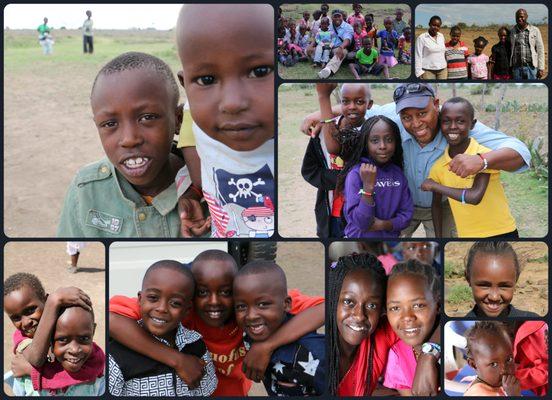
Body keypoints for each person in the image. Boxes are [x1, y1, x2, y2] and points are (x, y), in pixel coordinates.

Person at [300, 82, 531, 238]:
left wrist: (482, 160)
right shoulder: (391, 118)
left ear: (437, 105)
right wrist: (318, 114)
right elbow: (358, 107)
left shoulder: (456, 125)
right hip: (402, 204)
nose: (416, 123)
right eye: (407, 117)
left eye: (423, 113)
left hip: (443, 205)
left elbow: (520, 152)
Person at [109, 250, 325, 396]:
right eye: (202, 292)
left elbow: (325, 308)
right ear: (190, 297)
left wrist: (266, 346)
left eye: (226, 292)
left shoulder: (249, 310)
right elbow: (112, 319)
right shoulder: (176, 308)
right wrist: (177, 360)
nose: (214, 302)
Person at [174, 4, 274, 239]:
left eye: (259, 72)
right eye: (206, 79)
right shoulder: (196, 119)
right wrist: (190, 195)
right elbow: (200, 178)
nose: (232, 103)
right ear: (185, 84)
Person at [57, 52, 184, 237]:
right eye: (110, 124)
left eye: (147, 117)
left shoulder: (210, 185)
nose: (129, 139)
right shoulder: (85, 190)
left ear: (178, 119)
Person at [327, 253, 441, 396]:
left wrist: (428, 355)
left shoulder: (386, 331)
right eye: (348, 302)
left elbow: (440, 318)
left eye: (372, 305)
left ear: (381, 310)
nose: (360, 315)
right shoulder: (318, 349)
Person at [109, 260, 217, 395]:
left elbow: (206, 392)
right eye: (153, 298)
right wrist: (178, 360)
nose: (162, 309)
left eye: (175, 303)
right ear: (140, 299)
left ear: (188, 309)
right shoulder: (117, 354)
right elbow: (111, 319)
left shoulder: (195, 343)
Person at [421, 98, 517, 237]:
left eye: (460, 121)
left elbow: (474, 196)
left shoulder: (484, 156)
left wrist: (435, 186)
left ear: (472, 124)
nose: (453, 126)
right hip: (467, 235)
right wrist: (439, 236)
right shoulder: (438, 166)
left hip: (501, 231)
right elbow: (436, 206)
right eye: (446, 121)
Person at [233, 261, 325, 396]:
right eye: (241, 306)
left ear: (286, 304)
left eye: (263, 304)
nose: (251, 316)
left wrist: (266, 346)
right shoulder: (247, 333)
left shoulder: (313, 354)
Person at [5, 280, 105, 396]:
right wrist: (54, 300)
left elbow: (94, 369)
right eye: (16, 318)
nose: (26, 322)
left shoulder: (61, 328)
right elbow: (35, 359)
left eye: (31, 310)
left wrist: (34, 372)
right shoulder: (22, 337)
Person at [302, 83, 371, 238]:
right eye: (346, 101)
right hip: (332, 214)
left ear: (369, 104)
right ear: (340, 103)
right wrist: (340, 179)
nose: (352, 107)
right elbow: (309, 170)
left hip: (361, 212)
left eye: (359, 102)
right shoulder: (321, 133)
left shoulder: (373, 133)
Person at [338, 116, 413, 238]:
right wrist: (368, 188)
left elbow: (406, 216)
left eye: (389, 140)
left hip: (389, 245)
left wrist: (383, 224)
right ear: (365, 143)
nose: (382, 146)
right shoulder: (356, 174)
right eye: (375, 140)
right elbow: (362, 223)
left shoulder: (398, 173)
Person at [383, 260, 441, 395]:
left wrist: (428, 355)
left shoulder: (451, 335)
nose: (407, 317)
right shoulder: (397, 357)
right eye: (395, 308)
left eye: (418, 305)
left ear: (437, 305)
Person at [462, 242, 541, 317]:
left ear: (515, 280)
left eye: (504, 286)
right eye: (484, 285)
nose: (494, 297)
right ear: (468, 278)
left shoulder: (534, 322)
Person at [464, 322, 520, 396]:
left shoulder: (491, 381)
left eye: (508, 360)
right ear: (473, 364)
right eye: (494, 364)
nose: (504, 370)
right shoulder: (479, 394)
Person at [315, 9, 354, 79]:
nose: (337, 18)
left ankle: (328, 70)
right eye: (335, 16)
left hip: (338, 48)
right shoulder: (328, 25)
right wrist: (312, 45)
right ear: (332, 17)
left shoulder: (348, 27)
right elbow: (320, 34)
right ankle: (324, 61)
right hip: (327, 46)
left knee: (343, 52)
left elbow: (347, 39)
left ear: (342, 17)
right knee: (315, 49)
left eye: (339, 16)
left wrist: (341, 47)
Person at [510, 8, 545, 80]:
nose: (520, 19)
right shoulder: (512, 31)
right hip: (516, 68)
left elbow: (540, 49)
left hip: (531, 68)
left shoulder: (535, 30)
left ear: (526, 17)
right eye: (517, 17)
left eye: (522, 17)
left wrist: (541, 68)